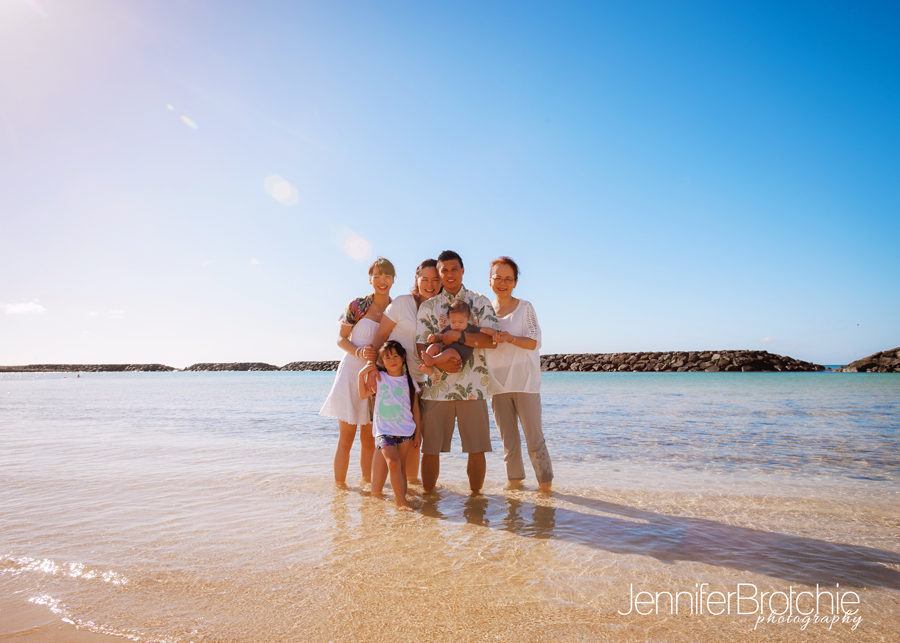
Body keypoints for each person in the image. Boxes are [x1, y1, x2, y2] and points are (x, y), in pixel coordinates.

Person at [416, 250, 500, 494]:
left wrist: (459, 336)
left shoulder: (480, 301)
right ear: (439, 273)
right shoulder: (429, 306)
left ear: (463, 271)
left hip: (474, 386)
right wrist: (438, 363)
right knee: (430, 449)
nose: (449, 274)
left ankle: (476, 502)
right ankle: (429, 503)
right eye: (444, 270)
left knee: (476, 448)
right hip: (436, 387)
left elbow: (492, 341)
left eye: (454, 269)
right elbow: (421, 343)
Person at [362, 259, 441, 483]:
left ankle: (410, 487)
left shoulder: (441, 309)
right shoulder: (401, 303)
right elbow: (379, 337)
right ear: (416, 280)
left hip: (418, 381)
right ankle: (374, 492)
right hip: (388, 379)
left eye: (436, 279)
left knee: (415, 436)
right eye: (424, 278)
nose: (430, 284)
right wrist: (370, 367)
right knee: (381, 437)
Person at [319, 257, 395, 485]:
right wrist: (359, 352)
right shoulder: (357, 305)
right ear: (370, 279)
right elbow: (341, 339)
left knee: (370, 440)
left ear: (393, 279)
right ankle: (340, 491)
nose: (382, 281)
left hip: (377, 378)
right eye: (377, 276)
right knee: (346, 438)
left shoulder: (396, 308)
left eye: (387, 276)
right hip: (351, 374)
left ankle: (368, 488)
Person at [485, 256, 553, 491]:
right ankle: (514, 486)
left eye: (508, 279)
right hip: (497, 385)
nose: (502, 283)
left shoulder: (525, 307)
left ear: (515, 282)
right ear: (490, 280)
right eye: (498, 278)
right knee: (509, 443)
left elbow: (535, 341)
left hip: (525, 383)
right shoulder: (485, 311)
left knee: (535, 441)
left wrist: (511, 338)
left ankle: (546, 490)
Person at [358, 340, 421, 511]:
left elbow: (415, 408)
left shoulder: (410, 381)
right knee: (393, 462)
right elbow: (363, 394)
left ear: (402, 357)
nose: (392, 360)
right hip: (384, 431)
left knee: (400, 468)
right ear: (382, 361)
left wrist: (419, 432)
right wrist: (360, 375)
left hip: (406, 431)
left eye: (395, 356)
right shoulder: (379, 378)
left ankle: (385, 498)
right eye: (387, 357)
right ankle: (401, 503)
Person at [419, 300, 496, 376]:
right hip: (444, 354)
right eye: (453, 322)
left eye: (461, 322)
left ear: (468, 319)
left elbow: (485, 330)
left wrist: (495, 334)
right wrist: (433, 338)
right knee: (433, 347)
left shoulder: (470, 329)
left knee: (450, 351)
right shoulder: (449, 329)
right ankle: (429, 367)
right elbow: (440, 337)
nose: (457, 325)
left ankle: (432, 360)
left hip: (458, 359)